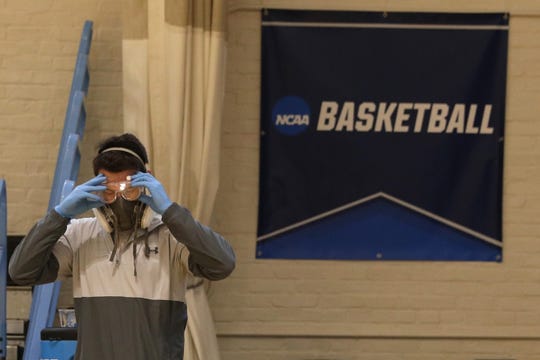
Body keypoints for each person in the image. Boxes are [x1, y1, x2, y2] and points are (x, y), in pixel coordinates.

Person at [9, 133, 236, 360]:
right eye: (109, 190)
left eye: (128, 189)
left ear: (147, 181)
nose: (119, 198)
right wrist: (59, 215)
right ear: (95, 187)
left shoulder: (173, 237)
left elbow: (222, 264)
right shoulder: (79, 235)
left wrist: (170, 211)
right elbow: (21, 271)